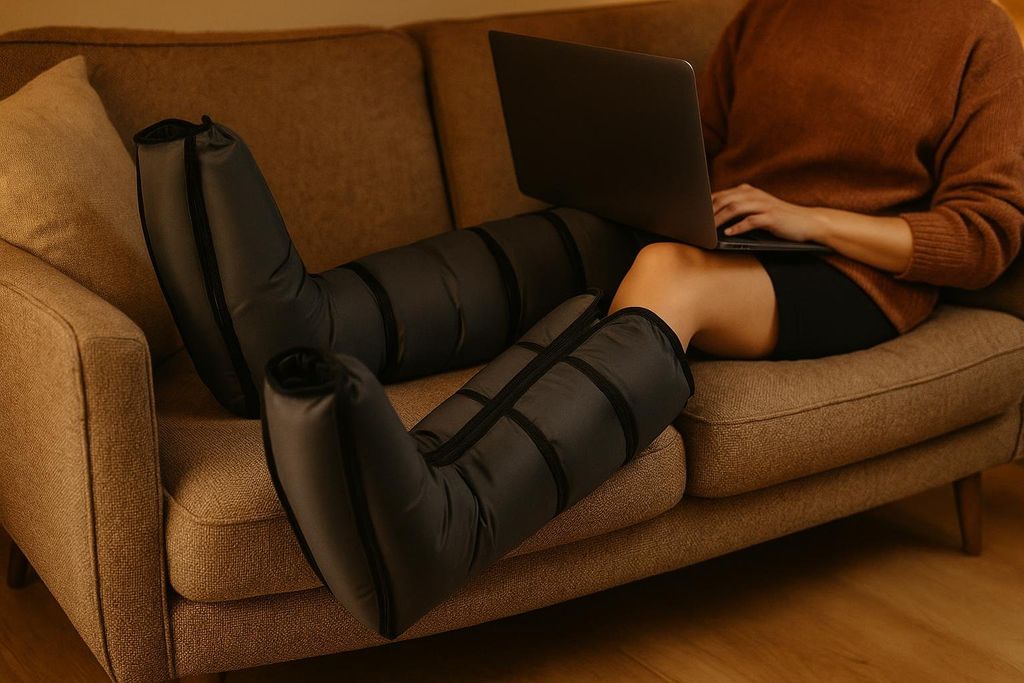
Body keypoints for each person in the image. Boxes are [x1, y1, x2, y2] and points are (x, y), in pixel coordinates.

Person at [610, 0, 1024, 361]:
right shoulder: (771, 10)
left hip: (857, 273)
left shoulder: (980, 31)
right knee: (560, 236)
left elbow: (981, 238)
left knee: (667, 272)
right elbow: (701, 138)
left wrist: (814, 221)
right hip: (733, 232)